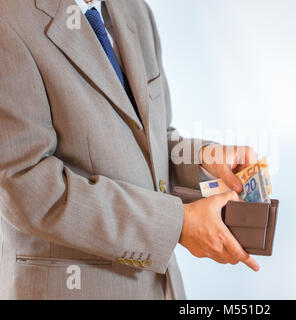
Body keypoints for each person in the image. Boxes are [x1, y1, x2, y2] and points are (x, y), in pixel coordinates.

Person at [0, 0, 259, 300]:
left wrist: (202, 160)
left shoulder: (134, 9)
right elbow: (25, 185)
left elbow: (152, 139)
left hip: (159, 289)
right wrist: (175, 225)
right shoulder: (8, 20)